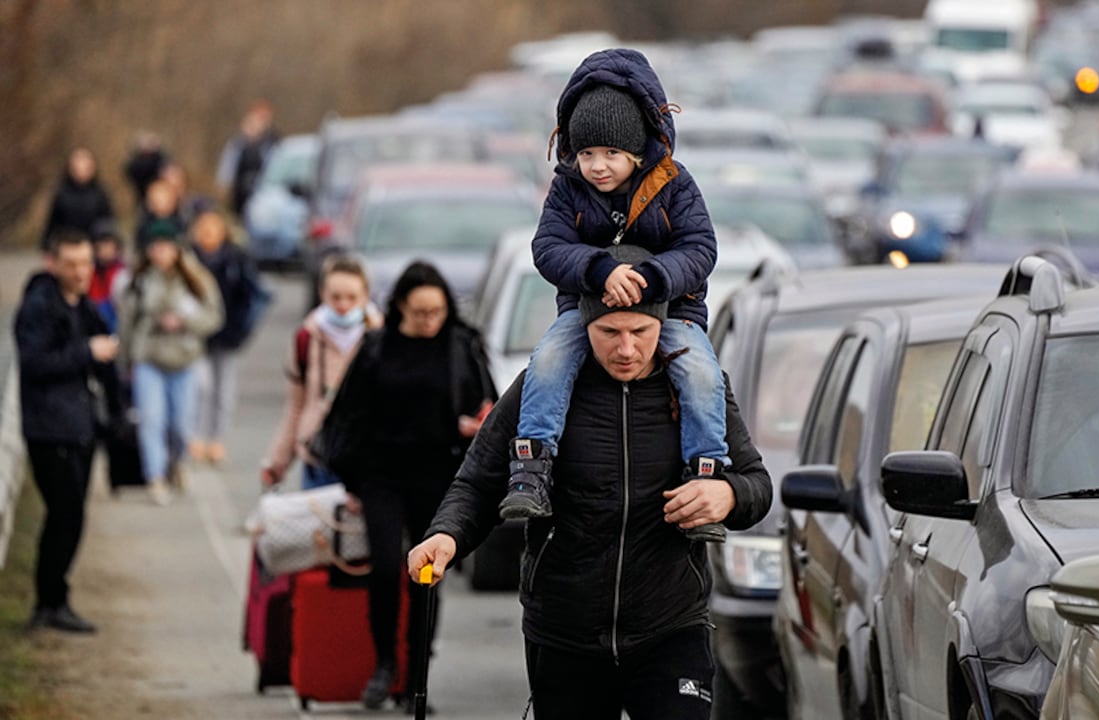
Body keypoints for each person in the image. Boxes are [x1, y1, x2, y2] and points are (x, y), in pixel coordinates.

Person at [407, 255, 772, 719]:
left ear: (664, 326)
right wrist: (446, 535)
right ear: (583, 328)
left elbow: (757, 484)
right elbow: (479, 481)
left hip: (671, 626)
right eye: (608, 333)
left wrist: (728, 494)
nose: (625, 349)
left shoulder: (699, 391)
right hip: (565, 630)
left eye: (640, 333)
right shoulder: (542, 390)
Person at [499, 48, 729, 544]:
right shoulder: (566, 190)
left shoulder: (675, 183)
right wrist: (598, 269)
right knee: (548, 360)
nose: (597, 167)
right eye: (586, 155)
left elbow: (700, 247)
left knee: (702, 375)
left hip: (673, 311)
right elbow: (547, 247)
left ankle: (706, 474)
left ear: (637, 151)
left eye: (610, 155)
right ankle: (532, 468)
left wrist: (651, 278)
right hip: (586, 311)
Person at [315, 261, 496, 710]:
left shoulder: (461, 346)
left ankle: (418, 673)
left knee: (427, 576)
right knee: (382, 568)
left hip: (439, 476)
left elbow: (489, 406)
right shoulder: (377, 348)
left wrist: (475, 425)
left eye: (436, 312)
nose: (429, 321)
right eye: (419, 312)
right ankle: (383, 665)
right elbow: (346, 416)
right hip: (381, 474)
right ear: (398, 307)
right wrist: (350, 478)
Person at [14, 229, 120, 633]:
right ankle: (48, 601)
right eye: (72, 263)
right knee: (64, 513)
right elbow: (34, 363)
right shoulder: (39, 306)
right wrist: (87, 353)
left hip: (79, 425)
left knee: (72, 516)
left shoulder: (85, 307)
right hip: (48, 427)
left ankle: (56, 598)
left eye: (86, 263)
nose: (80, 272)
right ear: (53, 263)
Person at [117, 220, 223, 506]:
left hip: (184, 359)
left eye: (166, 247)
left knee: (180, 422)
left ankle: (180, 461)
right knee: (151, 419)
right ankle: (155, 476)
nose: (160, 253)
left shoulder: (195, 279)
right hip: (148, 357)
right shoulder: (140, 280)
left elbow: (214, 316)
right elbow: (127, 323)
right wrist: (125, 359)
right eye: (155, 247)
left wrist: (184, 321)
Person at [261, 255, 381, 490]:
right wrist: (277, 463)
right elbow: (296, 405)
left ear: (365, 295)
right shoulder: (307, 337)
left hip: (365, 459)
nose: (343, 305)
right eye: (336, 297)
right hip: (318, 456)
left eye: (351, 297)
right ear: (322, 293)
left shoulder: (380, 338)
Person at [189, 208, 263, 465]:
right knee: (202, 386)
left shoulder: (236, 259)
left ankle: (216, 439)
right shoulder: (188, 260)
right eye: (203, 228)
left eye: (213, 227)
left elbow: (254, 297)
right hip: (197, 336)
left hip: (227, 335)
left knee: (223, 390)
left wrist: (242, 329)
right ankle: (196, 435)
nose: (208, 234)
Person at [42, 148, 115, 251]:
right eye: (77, 167)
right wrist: (46, 247)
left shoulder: (100, 193)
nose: (81, 171)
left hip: (93, 246)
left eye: (85, 167)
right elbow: (52, 223)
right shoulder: (61, 193)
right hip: (66, 246)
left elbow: (108, 222)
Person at [217, 100, 278, 218]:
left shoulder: (273, 142)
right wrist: (224, 185)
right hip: (240, 193)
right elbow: (228, 165)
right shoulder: (238, 143)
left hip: (263, 193)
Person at [88, 220, 130, 334]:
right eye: (102, 246)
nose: (106, 250)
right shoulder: (89, 271)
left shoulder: (122, 273)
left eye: (109, 245)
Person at [133, 178, 184, 255]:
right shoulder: (143, 226)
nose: (159, 202)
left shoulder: (182, 223)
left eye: (163, 197)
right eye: (154, 198)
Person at [123, 131, 169, 211]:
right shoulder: (137, 164)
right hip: (142, 199)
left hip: (163, 196)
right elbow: (130, 169)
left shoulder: (160, 161)